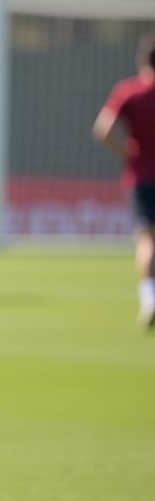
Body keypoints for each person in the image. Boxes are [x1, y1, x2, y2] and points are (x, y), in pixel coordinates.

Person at [93, 35, 155, 328]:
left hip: (142, 176)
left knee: (146, 239)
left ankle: (149, 298)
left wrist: (126, 154)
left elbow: (102, 130)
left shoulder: (129, 91)